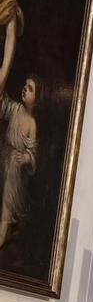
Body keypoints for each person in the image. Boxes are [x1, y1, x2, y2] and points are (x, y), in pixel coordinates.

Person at [0, 75, 37, 249]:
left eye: (30, 89)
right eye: (25, 85)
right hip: (4, 156)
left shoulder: (32, 123)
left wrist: (27, 157)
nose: (24, 89)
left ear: (36, 99)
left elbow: (33, 150)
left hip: (15, 166)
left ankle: (1, 236)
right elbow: (4, 106)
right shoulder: (15, 108)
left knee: (8, 201)